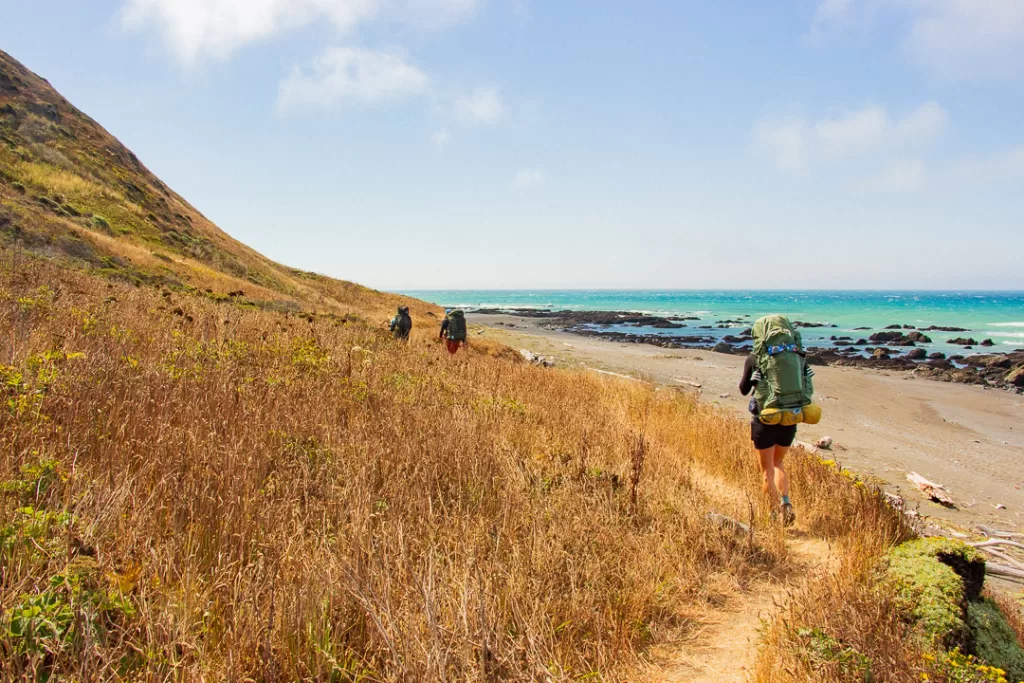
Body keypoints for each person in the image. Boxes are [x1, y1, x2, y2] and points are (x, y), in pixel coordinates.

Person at [739, 314, 818, 526]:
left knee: (767, 470)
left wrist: (755, 380)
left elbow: (743, 390)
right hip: (790, 418)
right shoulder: (797, 355)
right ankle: (786, 502)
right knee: (779, 462)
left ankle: (773, 514)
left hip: (765, 419)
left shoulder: (755, 358)